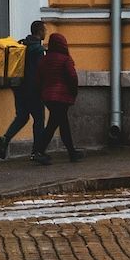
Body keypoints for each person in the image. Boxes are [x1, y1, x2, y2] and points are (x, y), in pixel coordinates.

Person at [0, 20, 47, 159]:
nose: (46, 33)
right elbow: (40, 72)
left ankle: (5, 139)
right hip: (33, 91)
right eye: (45, 30)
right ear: (40, 32)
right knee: (39, 120)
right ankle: (37, 152)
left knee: (22, 117)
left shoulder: (22, 44)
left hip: (18, 88)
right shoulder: (38, 50)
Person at [34, 30, 80, 163]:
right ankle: (39, 151)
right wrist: (73, 92)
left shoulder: (44, 59)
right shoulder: (65, 60)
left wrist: (42, 93)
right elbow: (72, 77)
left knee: (57, 123)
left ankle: (71, 153)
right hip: (62, 97)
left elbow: (38, 79)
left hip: (48, 97)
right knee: (57, 125)